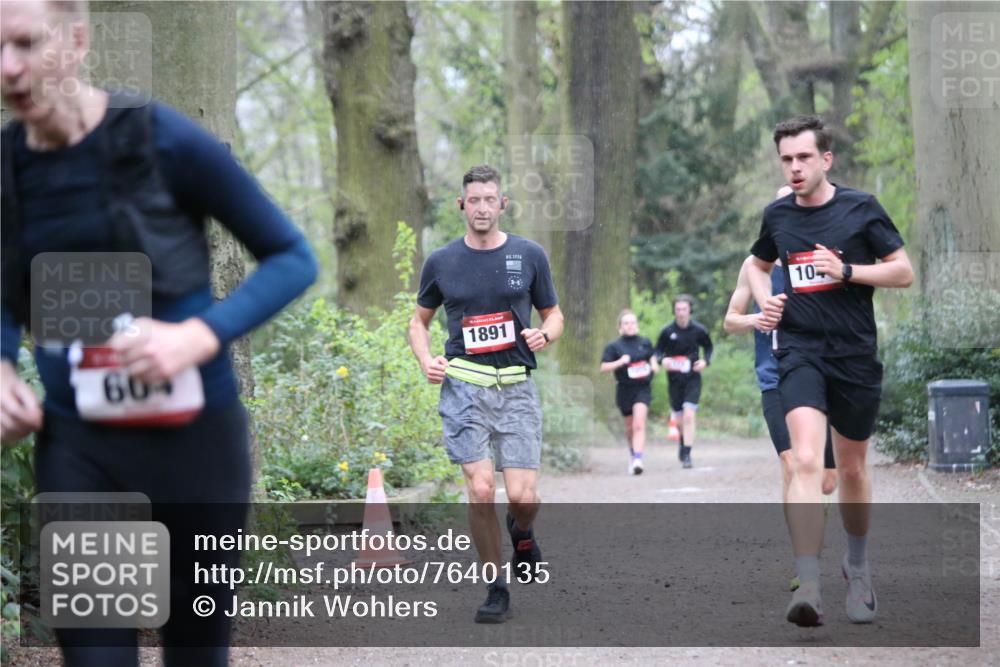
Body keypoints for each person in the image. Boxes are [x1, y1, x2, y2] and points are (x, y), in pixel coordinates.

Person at [0, 1, 317, 664]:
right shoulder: (6, 169)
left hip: (194, 444)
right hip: (80, 449)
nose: (9, 68)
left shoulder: (161, 139)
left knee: (195, 653)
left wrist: (198, 335)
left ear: (78, 40)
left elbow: (292, 257)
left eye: (27, 44)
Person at [746, 116, 913, 627]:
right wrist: (766, 302)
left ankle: (857, 569)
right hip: (799, 350)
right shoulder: (778, 216)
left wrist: (847, 271)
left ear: (825, 160)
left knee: (854, 469)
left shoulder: (861, 209)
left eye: (802, 158)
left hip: (854, 353)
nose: (794, 168)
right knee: (801, 461)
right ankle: (809, 583)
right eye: (786, 159)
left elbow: (903, 271)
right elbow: (756, 264)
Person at [408, 164, 564, 624]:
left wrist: (545, 336)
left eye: (488, 199)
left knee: (523, 496)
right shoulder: (441, 262)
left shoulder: (528, 254)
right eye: (472, 200)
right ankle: (496, 586)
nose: (481, 207)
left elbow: (554, 313)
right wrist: (426, 360)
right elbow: (419, 322)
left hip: (515, 388)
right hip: (464, 388)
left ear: (502, 204)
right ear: (462, 204)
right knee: (479, 490)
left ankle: (522, 531)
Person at [654, 295, 712, 469]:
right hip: (674, 380)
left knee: (689, 414)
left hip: (692, 378)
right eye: (678, 309)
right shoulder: (667, 331)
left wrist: (705, 362)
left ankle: (687, 453)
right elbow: (657, 351)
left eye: (684, 309)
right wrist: (661, 360)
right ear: (674, 311)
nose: (681, 313)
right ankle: (682, 440)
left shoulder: (699, 330)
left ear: (690, 310)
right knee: (679, 420)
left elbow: (708, 348)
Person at [600, 309, 659, 475]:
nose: (630, 325)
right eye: (626, 323)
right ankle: (633, 456)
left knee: (639, 424)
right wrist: (620, 362)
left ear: (637, 326)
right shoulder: (614, 346)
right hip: (625, 390)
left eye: (633, 322)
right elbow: (603, 367)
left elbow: (653, 359)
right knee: (630, 428)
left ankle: (638, 459)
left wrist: (654, 366)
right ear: (620, 327)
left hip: (643, 388)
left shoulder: (645, 342)